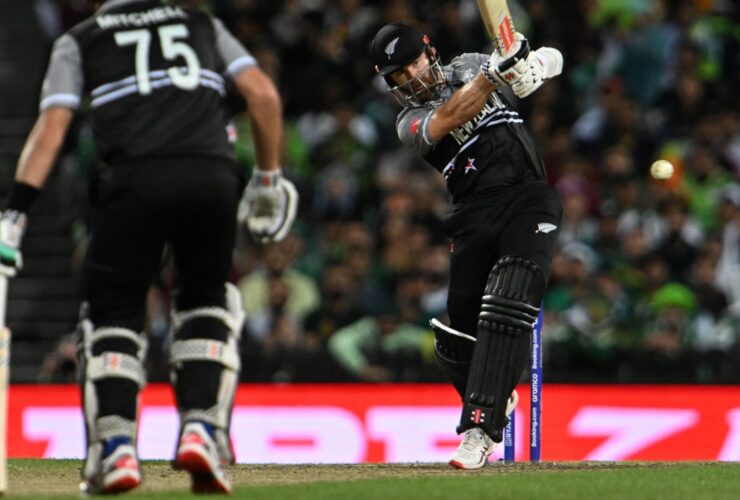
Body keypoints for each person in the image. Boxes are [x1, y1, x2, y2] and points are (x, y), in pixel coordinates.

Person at [0, 0, 297, 494]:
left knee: (113, 314)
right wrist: (268, 179)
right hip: (211, 176)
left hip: (132, 180)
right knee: (206, 302)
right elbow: (262, 94)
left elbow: (52, 126)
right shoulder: (201, 22)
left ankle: (117, 448)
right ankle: (202, 429)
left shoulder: (80, 39)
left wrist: (16, 211)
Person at [369, 22, 563, 469]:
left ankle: (479, 429)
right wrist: (494, 75)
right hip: (473, 214)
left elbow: (554, 59)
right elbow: (449, 117)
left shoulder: (472, 64)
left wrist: (534, 67)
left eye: (414, 63)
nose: (411, 77)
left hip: (528, 198)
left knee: (510, 292)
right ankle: (497, 394)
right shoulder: (407, 122)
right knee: (457, 337)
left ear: (430, 51)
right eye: (399, 75)